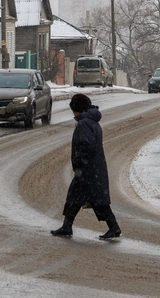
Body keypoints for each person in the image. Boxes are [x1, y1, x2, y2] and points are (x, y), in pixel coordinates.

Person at [51, 93, 122, 239]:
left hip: (88, 169)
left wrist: (78, 161)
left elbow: (86, 145)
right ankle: (68, 226)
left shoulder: (84, 123)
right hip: (93, 168)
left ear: (76, 109)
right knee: (81, 198)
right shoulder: (92, 122)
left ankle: (113, 227)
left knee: (91, 200)